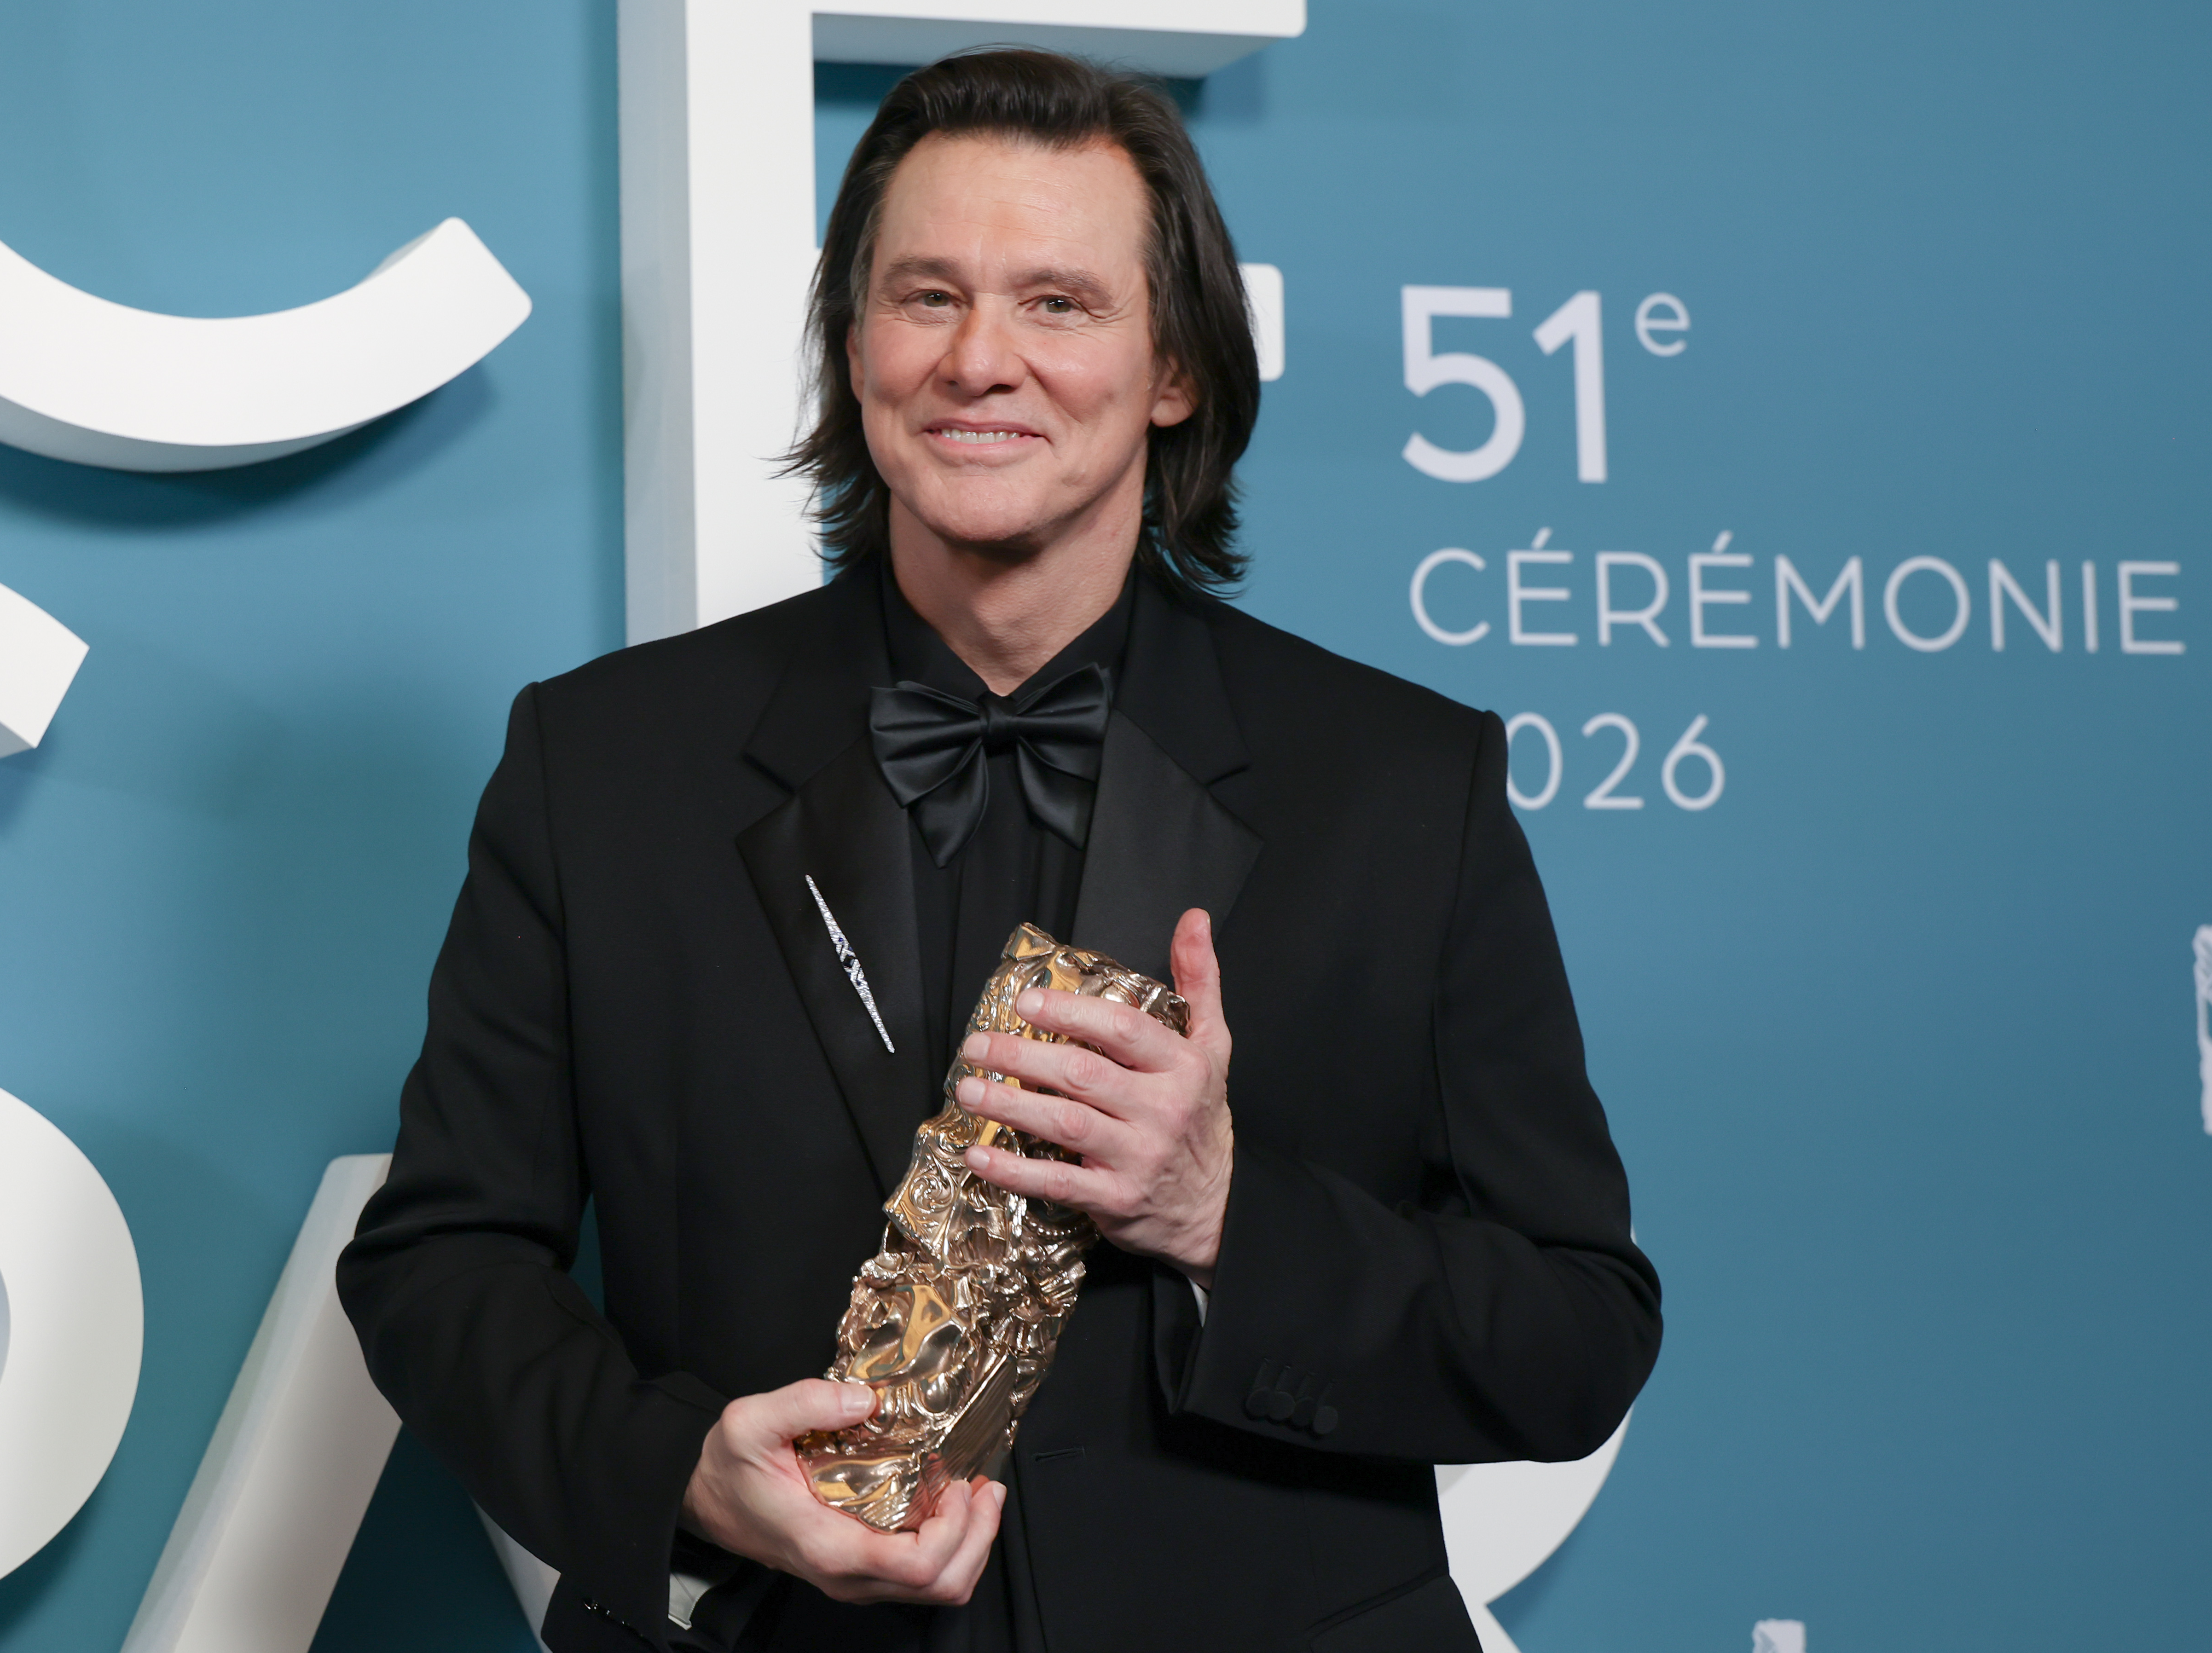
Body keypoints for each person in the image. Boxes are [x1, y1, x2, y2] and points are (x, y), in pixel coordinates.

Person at [339, 47, 1659, 1653]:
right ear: (854, 347)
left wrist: (1219, 1213)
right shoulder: (605, 764)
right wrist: (684, 1475)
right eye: (926, 297)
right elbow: (439, 1264)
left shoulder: (1399, 784)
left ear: (1174, 367)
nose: (979, 360)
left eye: (1057, 303)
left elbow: (1577, 1333)